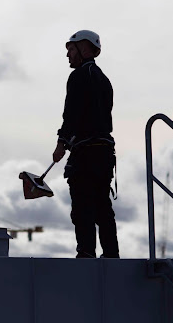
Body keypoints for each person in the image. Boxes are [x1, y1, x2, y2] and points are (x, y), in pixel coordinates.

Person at [52, 30, 119, 258]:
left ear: (85, 48)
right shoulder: (104, 80)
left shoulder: (79, 76)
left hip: (86, 153)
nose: (68, 54)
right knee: (102, 206)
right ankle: (111, 254)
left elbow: (72, 113)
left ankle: (86, 254)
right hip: (104, 152)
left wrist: (62, 142)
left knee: (82, 206)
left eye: (71, 49)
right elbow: (93, 116)